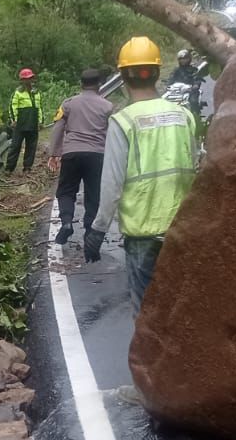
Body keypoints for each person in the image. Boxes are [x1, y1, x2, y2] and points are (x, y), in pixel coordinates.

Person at [85, 37, 199, 314]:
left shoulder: (123, 122)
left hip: (144, 237)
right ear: (157, 73)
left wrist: (98, 230)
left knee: (147, 313)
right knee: (180, 310)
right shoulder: (183, 116)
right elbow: (197, 171)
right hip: (183, 230)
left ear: (123, 76)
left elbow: (112, 184)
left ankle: (149, 358)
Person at [46, 69, 114, 245]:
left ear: (81, 84)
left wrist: (54, 153)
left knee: (66, 191)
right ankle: (90, 232)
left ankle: (67, 222)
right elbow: (114, 133)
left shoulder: (68, 104)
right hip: (97, 155)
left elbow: (58, 128)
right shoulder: (108, 106)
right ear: (99, 84)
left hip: (71, 153)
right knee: (93, 194)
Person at [4, 68, 40, 173]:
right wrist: (14, 120)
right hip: (20, 124)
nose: (29, 81)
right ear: (22, 80)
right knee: (15, 146)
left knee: (31, 146)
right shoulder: (18, 93)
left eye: (30, 78)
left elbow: (40, 108)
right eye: (26, 79)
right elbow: (12, 106)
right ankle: (9, 168)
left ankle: (27, 167)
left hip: (32, 123)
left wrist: (40, 121)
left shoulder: (36, 93)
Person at [169, 49, 205, 116]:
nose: (183, 60)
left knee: (193, 101)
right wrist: (168, 85)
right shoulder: (176, 70)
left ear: (189, 59)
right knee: (166, 101)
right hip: (178, 91)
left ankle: (196, 115)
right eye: (181, 58)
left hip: (191, 91)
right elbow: (171, 78)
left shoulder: (194, 69)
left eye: (185, 58)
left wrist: (196, 85)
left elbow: (198, 78)